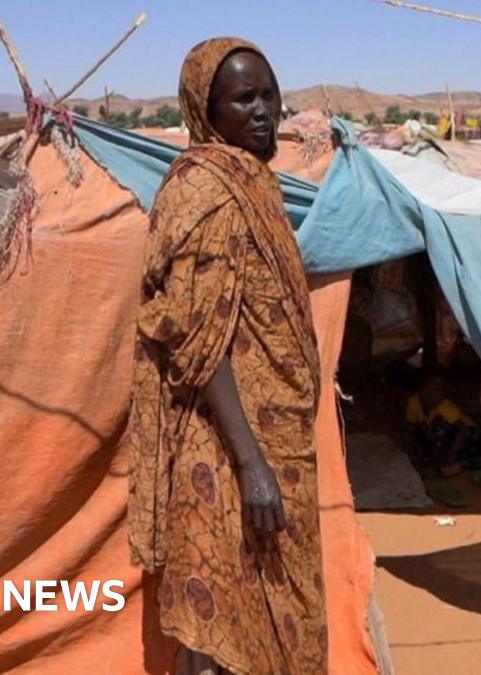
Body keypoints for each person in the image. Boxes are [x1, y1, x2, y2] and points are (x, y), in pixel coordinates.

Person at [129, 38, 327, 674]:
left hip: (277, 444)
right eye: (245, 98)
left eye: (269, 95)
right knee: (215, 629)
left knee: (264, 615)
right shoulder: (206, 193)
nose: (265, 110)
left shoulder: (256, 183)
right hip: (224, 447)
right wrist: (250, 463)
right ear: (206, 111)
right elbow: (199, 336)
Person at [405, 371, 477, 477]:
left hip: (467, 434)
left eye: (436, 391)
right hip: (441, 437)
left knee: (438, 426)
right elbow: (413, 427)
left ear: (443, 394)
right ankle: (439, 460)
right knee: (425, 437)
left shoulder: (445, 407)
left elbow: (462, 431)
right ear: (419, 389)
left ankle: (457, 463)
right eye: (427, 389)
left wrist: (452, 453)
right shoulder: (414, 402)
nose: (430, 394)